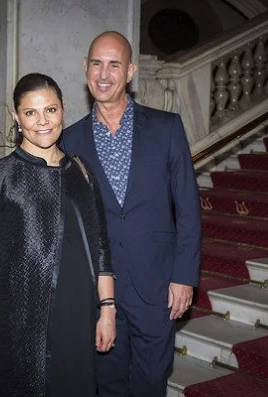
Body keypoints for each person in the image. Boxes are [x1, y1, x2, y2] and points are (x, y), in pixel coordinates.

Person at [60, 31, 201, 396]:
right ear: (85, 69)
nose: (103, 74)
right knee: (106, 383)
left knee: (151, 381)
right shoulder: (69, 141)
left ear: (130, 72)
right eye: (96, 63)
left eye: (114, 64)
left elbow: (187, 208)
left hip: (157, 284)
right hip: (99, 289)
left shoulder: (166, 128)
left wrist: (184, 277)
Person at [0, 72, 116, 397]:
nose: (42, 121)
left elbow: (101, 247)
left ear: (63, 110)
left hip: (77, 314)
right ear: (16, 117)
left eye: (51, 109)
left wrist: (107, 310)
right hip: (18, 322)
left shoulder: (81, 171)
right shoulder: (0, 176)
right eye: (31, 112)